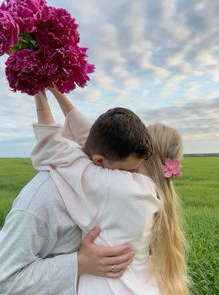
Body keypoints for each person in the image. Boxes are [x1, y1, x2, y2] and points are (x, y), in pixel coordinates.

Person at [30, 88, 189, 295]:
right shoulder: (150, 191)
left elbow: (51, 148)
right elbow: (93, 142)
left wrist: (39, 92)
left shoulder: (118, 187)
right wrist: (57, 90)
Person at [0, 95, 136, 295]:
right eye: (125, 172)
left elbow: (81, 130)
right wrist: (79, 263)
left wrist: (56, 90)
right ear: (99, 162)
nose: (130, 180)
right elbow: (2, 280)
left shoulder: (93, 162)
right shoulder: (38, 202)